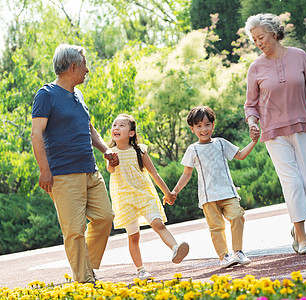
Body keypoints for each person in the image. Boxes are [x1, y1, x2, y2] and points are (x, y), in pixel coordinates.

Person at [244, 13, 306, 255]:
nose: (258, 42)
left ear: (274, 33)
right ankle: (302, 236)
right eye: (254, 40)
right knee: (292, 183)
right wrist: (252, 122)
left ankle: (297, 225)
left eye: (261, 37)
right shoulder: (256, 67)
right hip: (273, 133)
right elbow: (250, 104)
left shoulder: (299, 56)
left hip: (303, 125)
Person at [31, 44, 117, 283]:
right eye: (84, 64)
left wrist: (106, 149)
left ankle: (86, 267)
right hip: (63, 175)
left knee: (105, 217)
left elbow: (89, 130)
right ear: (72, 67)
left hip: (90, 170)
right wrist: (44, 170)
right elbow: (36, 134)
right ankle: (85, 280)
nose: (87, 70)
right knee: (75, 231)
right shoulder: (46, 94)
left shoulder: (78, 95)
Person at [170, 106, 259, 268]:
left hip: (228, 193)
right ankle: (224, 257)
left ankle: (238, 252)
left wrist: (253, 141)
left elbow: (240, 155)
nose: (204, 129)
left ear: (213, 125)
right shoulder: (193, 149)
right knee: (216, 227)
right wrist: (175, 191)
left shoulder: (221, 143)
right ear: (192, 129)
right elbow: (186, 174)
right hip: (208, 197)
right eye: (198, 126)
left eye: (207, 124)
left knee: (237, 216)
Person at [107, 114, 189, 280]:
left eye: (122, 125)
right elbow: (110, 170)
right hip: (124, 198)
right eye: (115, 125)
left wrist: (168, 193)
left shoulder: (140, 150)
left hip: (144, 194)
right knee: (134, 236)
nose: (116, 128)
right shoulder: (110, 152)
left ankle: (175, 248)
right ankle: (141, 269)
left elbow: (154, 174)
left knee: (157, 223)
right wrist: (111, 162)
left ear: (131, 133)